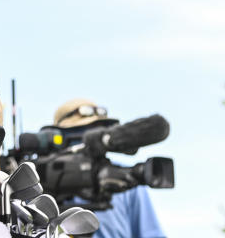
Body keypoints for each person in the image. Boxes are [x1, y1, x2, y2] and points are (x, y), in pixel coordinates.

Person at [54, 99, 167, 238]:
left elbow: (151, 234)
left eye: (95, 131)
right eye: (79, 133)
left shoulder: (127, 179)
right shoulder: (39, 185)